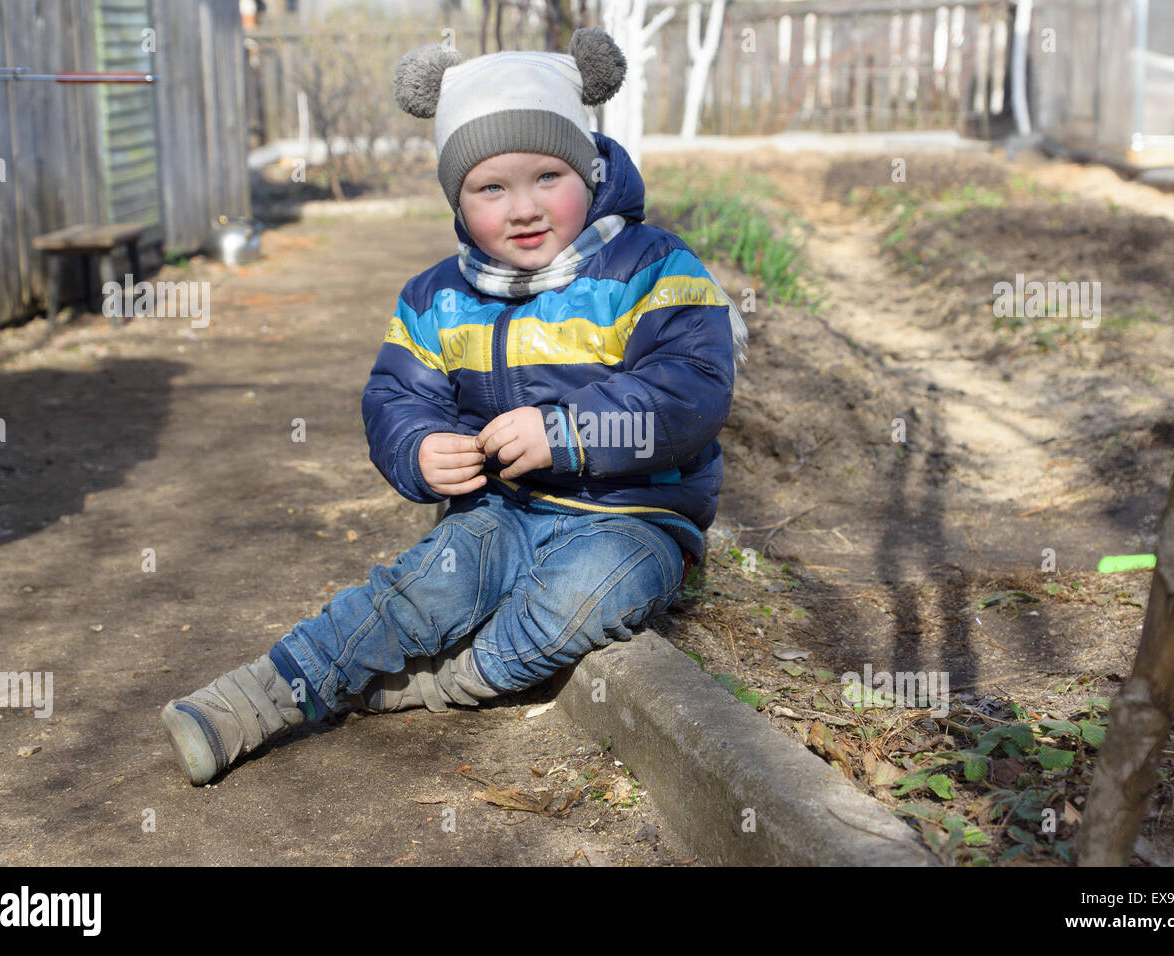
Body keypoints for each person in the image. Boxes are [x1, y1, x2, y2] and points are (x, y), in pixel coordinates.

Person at [160, 27, 746, 786]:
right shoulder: (437, 296)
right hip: (503, 508)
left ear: (591, 167)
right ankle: (255, 698)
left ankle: (426, 686)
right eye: (491, 188)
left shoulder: (652, 267)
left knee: (575, 600)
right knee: (423, 586)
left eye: (548, 176)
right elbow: (397, 394)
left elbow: (693, 385)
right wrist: (418, 448)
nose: (525, 208)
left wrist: (569, 432)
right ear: (458, 200)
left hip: (637, 516)